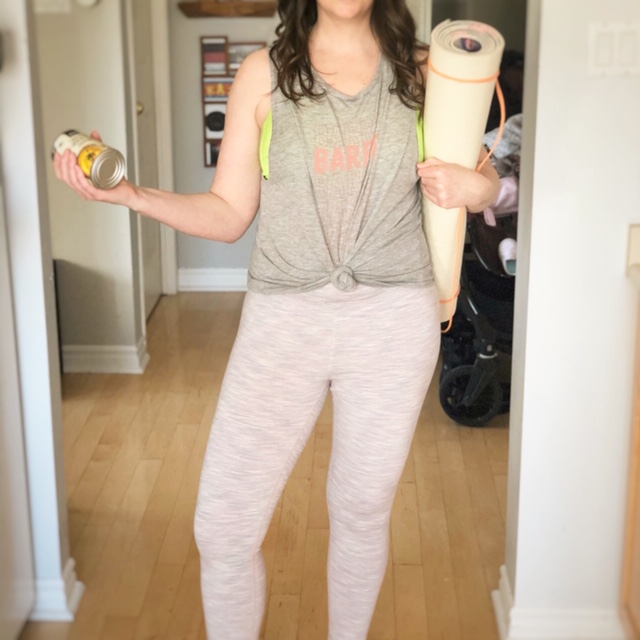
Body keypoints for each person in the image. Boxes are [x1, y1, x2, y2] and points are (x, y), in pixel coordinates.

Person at [54, 0, 499, 636]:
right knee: (223, 528)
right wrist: (130, 194)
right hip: (282, 322)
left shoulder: (425, 71)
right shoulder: (263, 75)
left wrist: (474, 189)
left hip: (391, 323)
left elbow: (489, 183)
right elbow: (230, 212)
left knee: (360, 511)